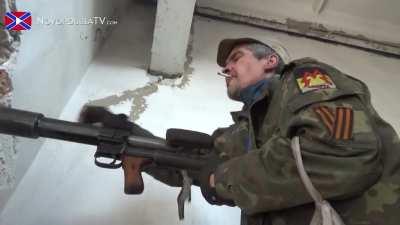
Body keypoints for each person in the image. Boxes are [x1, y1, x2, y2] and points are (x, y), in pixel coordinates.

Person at [80, 38, 400, 225]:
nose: (227, 69)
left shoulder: (301, 79)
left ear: (270, 61)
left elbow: (338, 154)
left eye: (236, 58)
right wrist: (131, 136)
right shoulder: (245, 131)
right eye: (225, 65)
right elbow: (195, 166)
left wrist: (221, 180)